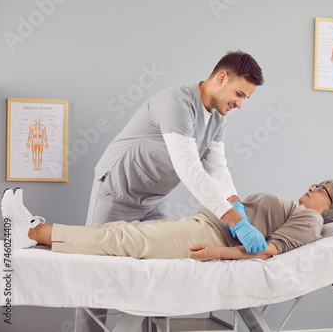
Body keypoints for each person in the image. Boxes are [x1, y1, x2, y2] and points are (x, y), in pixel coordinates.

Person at [87, 50, 267, 254]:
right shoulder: (177, 104)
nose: (240, 104)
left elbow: (217, 168)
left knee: (161, 261)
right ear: (222, 78)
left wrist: (236, 205)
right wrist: (235, 222)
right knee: (100, 258)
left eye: (245, 98)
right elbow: (188, 169)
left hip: (155, 199)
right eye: (239, 94)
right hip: (118, 192)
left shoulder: (218, 119)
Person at [2, 180, 333, 261]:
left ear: (332, 204)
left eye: (322, 188)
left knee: (123, 240)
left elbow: (267, 250)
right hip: (209, 222)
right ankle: (32, 231)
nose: (313, 186)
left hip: (212, 235)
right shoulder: (301, 211)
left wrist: (219, 254)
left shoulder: (311, 222)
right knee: (119, 232)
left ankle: (30, 231)